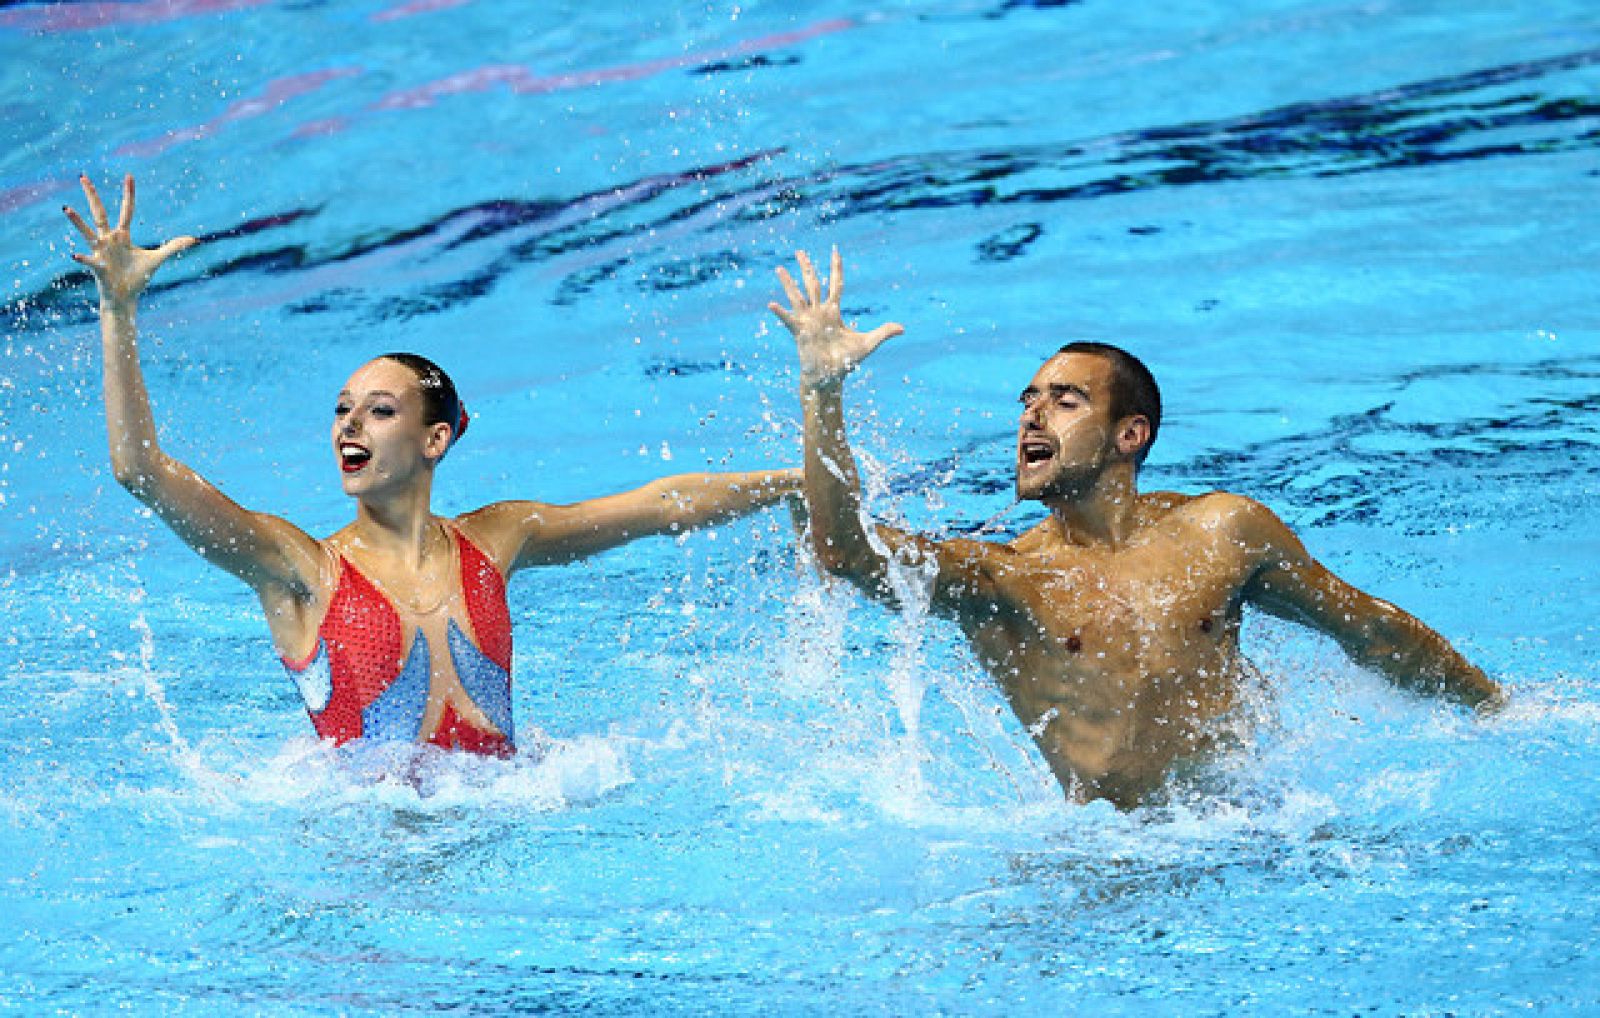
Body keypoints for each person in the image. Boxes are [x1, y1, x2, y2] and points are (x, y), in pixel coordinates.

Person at [66, 174, 801, 758]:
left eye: (380, 411)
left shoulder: (498, 539)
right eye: (342, 408)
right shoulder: (299, 568)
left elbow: (655, 506)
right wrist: (117, 311)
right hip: (369, 872)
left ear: (437, 440)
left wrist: (794, 482)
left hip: (504, 846)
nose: (350, 425)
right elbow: (141, 472)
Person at [769, 248, 1506, 809]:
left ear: (1130, 435)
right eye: (1028, 400)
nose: (1031, 414)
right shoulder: (1008, 578)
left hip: (1248, 826)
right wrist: (823, 391)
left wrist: (1500, 713)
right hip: (1107, 864)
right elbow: (847, 554)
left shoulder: (1224, 531)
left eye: (1064, 401)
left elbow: (1369, 629)